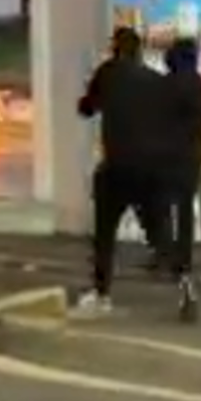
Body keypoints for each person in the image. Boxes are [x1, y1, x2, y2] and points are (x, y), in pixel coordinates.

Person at [73, 27, 170, 314]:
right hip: (149, 165)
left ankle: (102, 292)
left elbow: (87, 108)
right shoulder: (154, 80)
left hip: (117, 165)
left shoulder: (109, 73)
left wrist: (90, 94)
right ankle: (181, 280)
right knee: (156, 223)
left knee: (105, 232)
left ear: (115, 48)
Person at [160, 38, 201, 321]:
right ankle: (183, 256)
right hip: (192, 156)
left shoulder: (168, 86)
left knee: (162, 206)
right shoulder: (200, 86)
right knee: (184, 208)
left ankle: (168, 255)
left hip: (168, 156)